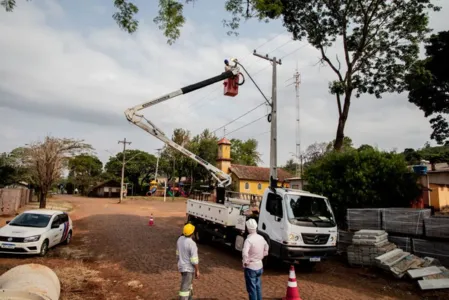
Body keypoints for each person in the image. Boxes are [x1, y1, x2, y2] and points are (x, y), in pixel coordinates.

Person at [242, 218, 269, 300]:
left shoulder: (248, 240)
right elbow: (266, 247)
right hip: (259, 266)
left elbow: (245, 253)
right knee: (258, 287)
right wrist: (263, 255)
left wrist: (245, 262)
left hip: (251, 267)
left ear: (248, 228)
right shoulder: (261, 237)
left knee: (252, 289)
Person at [176, 223, 200, 300]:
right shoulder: (192, 244)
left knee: (189, 285)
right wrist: (197, 270)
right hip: (188, 269)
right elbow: (194, 260)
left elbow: (177, 254)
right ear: (192, 233)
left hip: (181, 267)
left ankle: (190, 298)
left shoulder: (180, 239)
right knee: (185, 289)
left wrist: (179, 263)